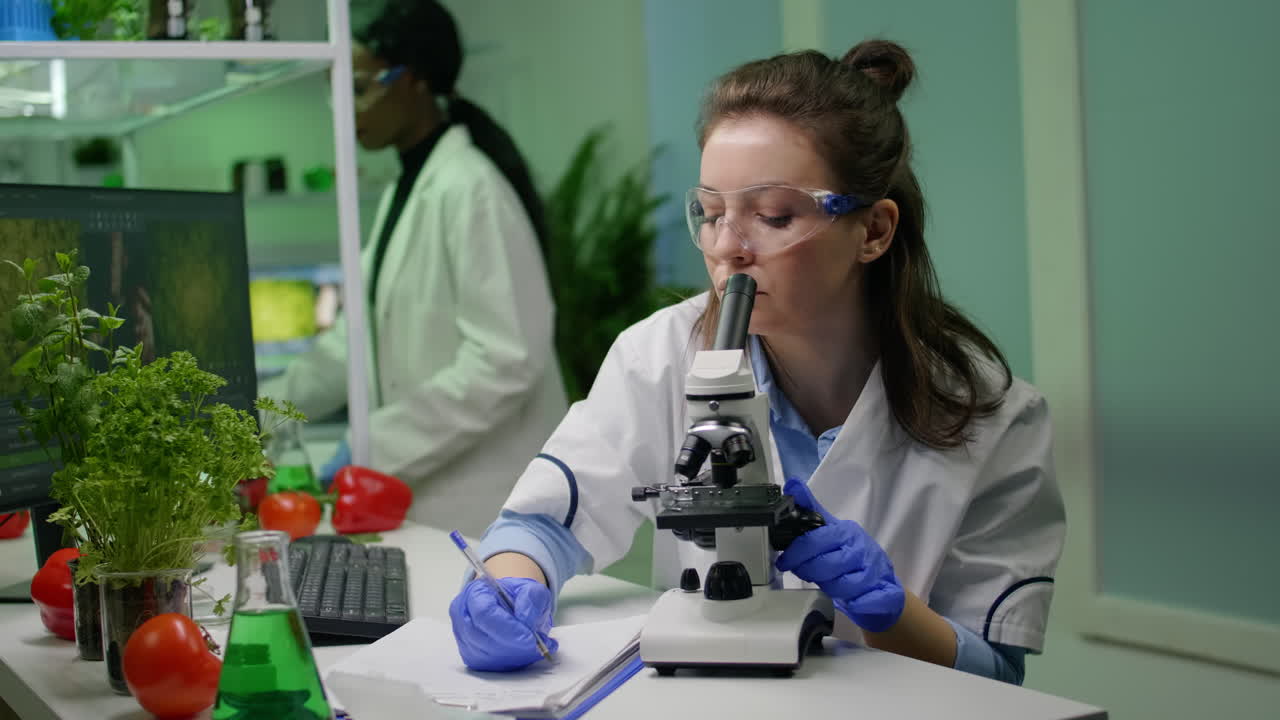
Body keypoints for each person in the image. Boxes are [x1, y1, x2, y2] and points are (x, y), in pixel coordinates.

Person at [447, 40, 1066, 684]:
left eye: (772, 215)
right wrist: (508, 587)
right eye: (713, 214)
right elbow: (545, 525)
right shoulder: (661, 354)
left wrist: (889, 611)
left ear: (875, 231)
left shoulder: (995, 418)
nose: (728, 249)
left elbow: (995, 673)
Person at [262, 0, 566, 536]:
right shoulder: (409, 190)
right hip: (433, 498)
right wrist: (258, 413)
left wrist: (375, 442)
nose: (347, 109)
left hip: (488, 503)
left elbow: (505, 360)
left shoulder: (470, 189)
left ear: (414, 83)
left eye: (360, 89)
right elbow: (354, 340)